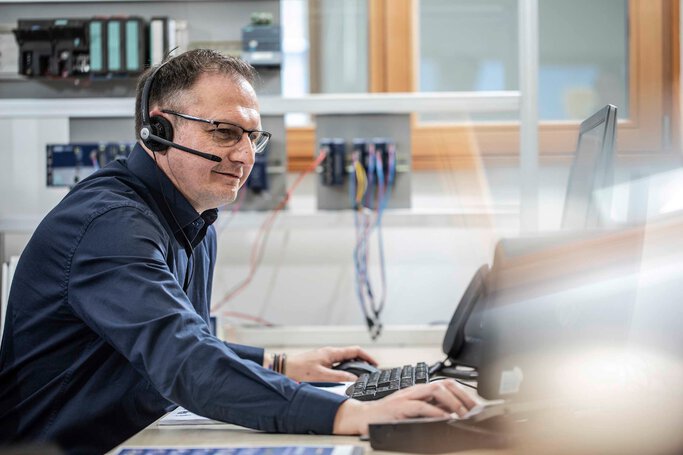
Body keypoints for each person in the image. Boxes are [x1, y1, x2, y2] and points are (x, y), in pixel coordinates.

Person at [0, 49, 475, 454]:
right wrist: (351, 413)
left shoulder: (192, 216)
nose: (246, 155)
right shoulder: (111, 227)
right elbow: (184, 360)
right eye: (224, 133)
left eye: (253, 137)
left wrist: (281, 364)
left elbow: (178, 338)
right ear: (159, 130)